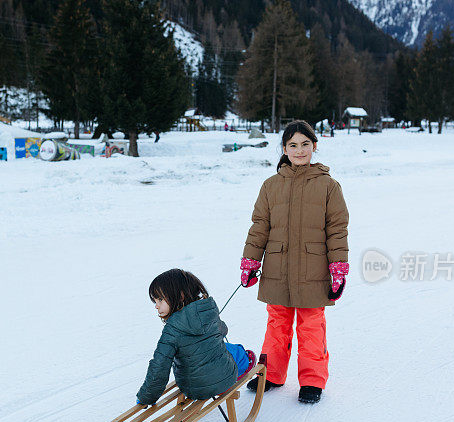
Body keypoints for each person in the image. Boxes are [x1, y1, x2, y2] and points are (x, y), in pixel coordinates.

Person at [239, 120, 349, 404]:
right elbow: (260, 226)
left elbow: (337, 230)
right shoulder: (271, 186)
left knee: (311, 325)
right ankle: (271, 374)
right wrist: (251, 261)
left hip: (313, 268)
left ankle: (312, 380)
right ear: (285, 149)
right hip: (278, 266)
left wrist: (337, 268)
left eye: (304, 144)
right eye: (292, 145)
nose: (299, 151)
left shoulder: (328, 186)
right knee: (277, 322)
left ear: (314, 146)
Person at [136, 269, 257, 406]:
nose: (157, 306)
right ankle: (246, 361)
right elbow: (223, 330)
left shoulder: (171, 330)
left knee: (223, 349)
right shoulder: (208, 310)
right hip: (225, 379)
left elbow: (159, 366)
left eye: (160, 299)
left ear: (180, 296)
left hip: (193, 388)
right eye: (155, 301)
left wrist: (146, 397)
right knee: (235, 350)